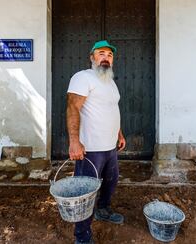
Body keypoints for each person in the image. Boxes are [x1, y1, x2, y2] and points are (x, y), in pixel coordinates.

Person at [66, 40, 126, 244]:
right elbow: (73, 108)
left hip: (110, 147)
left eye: (109, 55)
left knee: (110, 182)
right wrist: (75, 142)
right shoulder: (83, 78)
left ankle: (103, 210)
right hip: (90, 149)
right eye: (101, 53)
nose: (106, 57)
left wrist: (119, 134)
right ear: (92, 57)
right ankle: (82, 237)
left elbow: (111, 109)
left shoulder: (110, 81)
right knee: (85, 192)